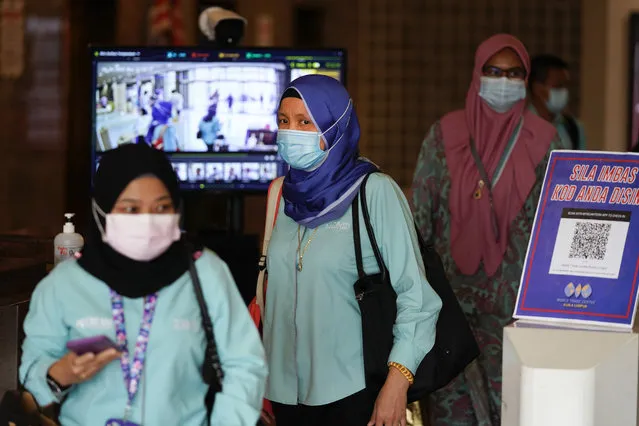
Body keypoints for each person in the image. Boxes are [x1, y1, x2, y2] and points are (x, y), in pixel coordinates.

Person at [19, 143, 267, 426]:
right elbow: (32, 370)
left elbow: (244, 364)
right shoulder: (64, 284)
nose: (148, 221)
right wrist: (58, 374)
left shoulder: (204, 273)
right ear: (101, 210)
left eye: (162, 207)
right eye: (130, 209)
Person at [265, 74, 442, 426]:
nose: (290, 132)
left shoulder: (374, 192)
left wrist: (397, 383)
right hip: (283, 394)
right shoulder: (279, 196)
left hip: (353, 393)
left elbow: (418, 297)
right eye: (284, 121)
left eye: (305, 122)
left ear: (335, 127)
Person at [411, 34, 561, 425]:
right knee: (452, 413)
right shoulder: (444, 135)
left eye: (514, 74)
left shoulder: (546, 141)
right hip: (450, 311)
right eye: (493, 71)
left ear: (526, 80)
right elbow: (419, 222)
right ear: (477, 74)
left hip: (517, 316)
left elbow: (557, 227)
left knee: (516, 410)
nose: (503, 81)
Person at [528, 54, 586, 150]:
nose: (565, 91)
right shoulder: (517, 128)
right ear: (537, 88)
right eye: (558, 86)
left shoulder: (574, 128)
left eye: (566, 86)